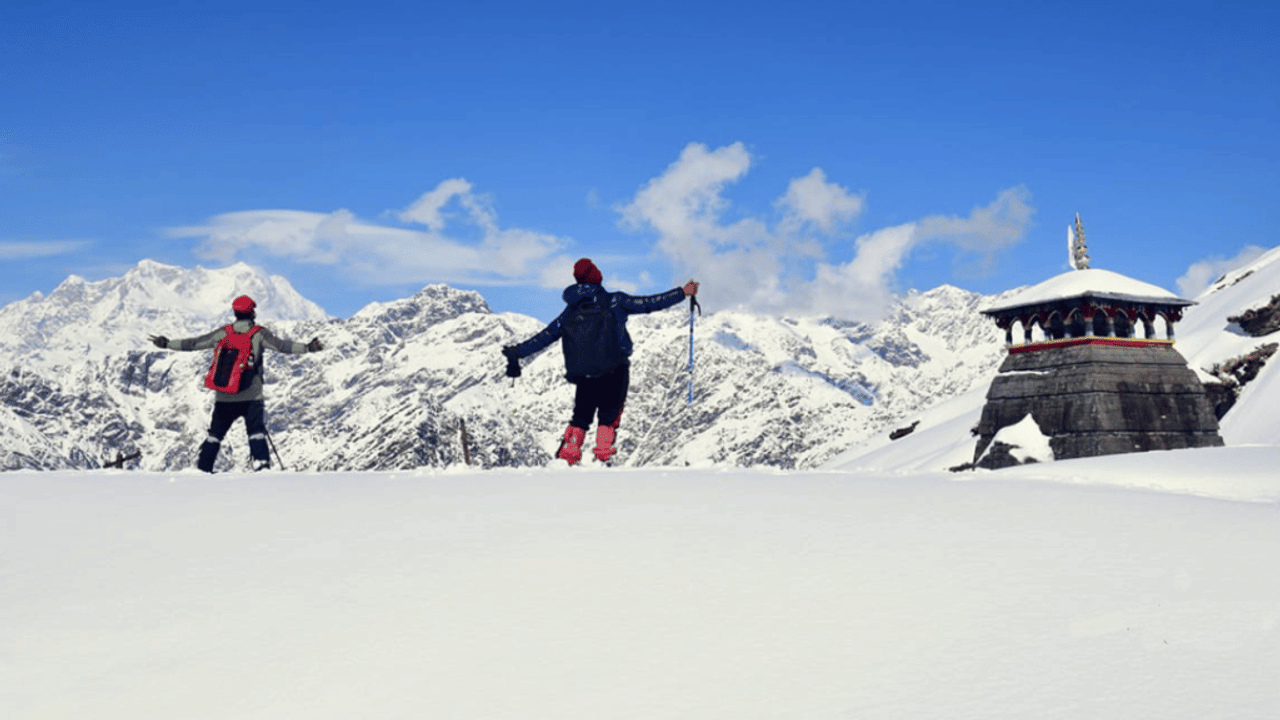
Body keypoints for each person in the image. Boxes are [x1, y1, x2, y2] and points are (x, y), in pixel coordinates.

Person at [503, 258, 698, 465]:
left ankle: (568, 455)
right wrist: (682, 293)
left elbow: (545, 336)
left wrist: (517, 352)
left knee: (581, 416)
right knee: (609, 414)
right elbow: (650, 303)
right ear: (597, 277)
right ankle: (602, 457)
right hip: (615, 368)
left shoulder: (571, 310)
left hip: (583, 372)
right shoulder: (616, 301)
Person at [148, 295, 324, 472]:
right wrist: (308, 348)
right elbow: (282, 346)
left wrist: (167, 343)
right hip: (251, 394)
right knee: (255, 432)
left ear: (235, 312)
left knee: (215, 434)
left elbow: (194, 343)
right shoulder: (258, 334)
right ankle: (261, 466)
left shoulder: (223, 333)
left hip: (224, 395)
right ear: (252, 313)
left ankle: (203, 467)